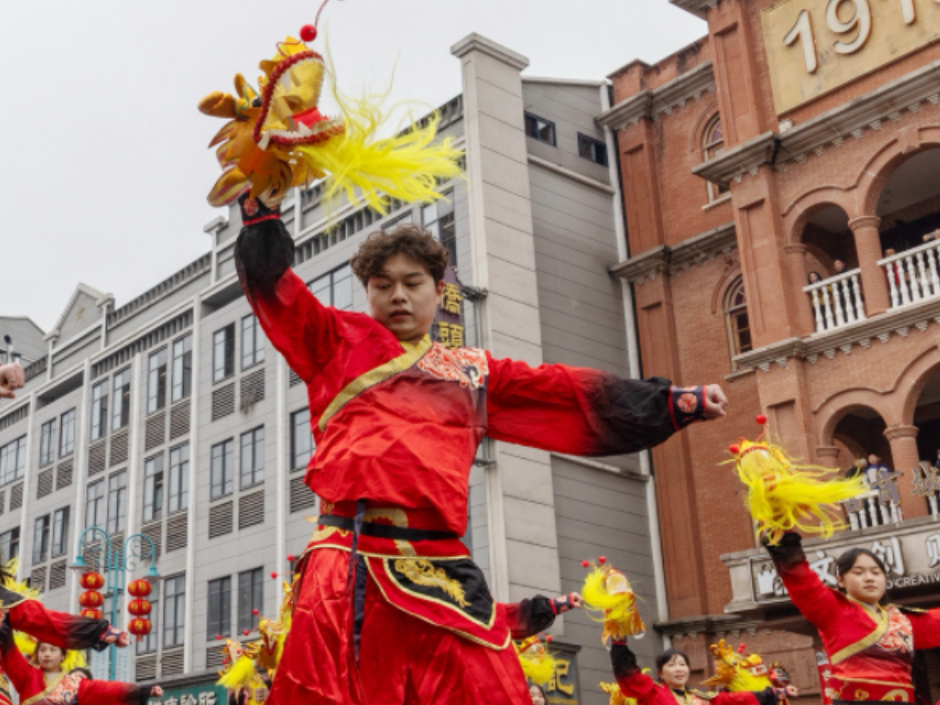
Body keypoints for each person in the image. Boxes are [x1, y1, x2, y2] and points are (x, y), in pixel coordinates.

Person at [235, 219, 729, 705]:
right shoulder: (335, 342)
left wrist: (669, 403)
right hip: (347, 561)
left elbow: (558, 390)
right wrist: (262, 217)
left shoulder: (470, 373)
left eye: (413, 283)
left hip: (441, 562)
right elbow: (278, 294)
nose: (398, 296)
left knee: (492, 688)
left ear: (437, 290)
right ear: (368, 294)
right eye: (382, 285)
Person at [766, 532, 940, 702]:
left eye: (876, 572)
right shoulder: (832, 610)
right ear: (840, 580)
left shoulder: (903, 620)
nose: (869, 578)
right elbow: (803, 582)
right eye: (858, 572)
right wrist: (787, 547)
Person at [606, 641, 796, 705]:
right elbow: (631, 677)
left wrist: (776, 693)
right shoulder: (652, 694)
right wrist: (619, 643)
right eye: (672, 665)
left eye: (682, 664)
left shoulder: (701, 697)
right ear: (660, 673)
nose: (679, 669)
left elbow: (736, 700)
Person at [0, 632, 162, 705]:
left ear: (63, 655)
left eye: (52, 650)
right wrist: (5, 631)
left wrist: (142, 691)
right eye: (42, 650)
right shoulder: (27, 676)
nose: (47, 654)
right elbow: (11, 654)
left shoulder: (75, 684)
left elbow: (107, 690)